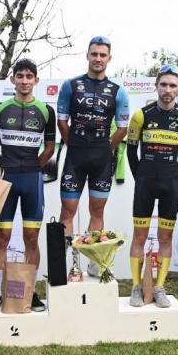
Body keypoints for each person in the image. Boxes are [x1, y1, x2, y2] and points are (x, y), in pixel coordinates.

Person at [0, 59, 56, 313]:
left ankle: (30, 291)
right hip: (7, 179)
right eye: (20, 76)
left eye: (29, 76)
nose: (25, 81)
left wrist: (36, 165)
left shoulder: (46, 111)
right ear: (13, 79)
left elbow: (50, 147)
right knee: (1, 237)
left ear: (36, 80)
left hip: (32, 180)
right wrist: (5, 166)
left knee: (31, 238)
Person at [126, 65, 178, 308]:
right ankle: (136, 287)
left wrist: (171, 174)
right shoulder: (141, 115)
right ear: (156, 86)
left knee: (166, 237)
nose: (167, 90)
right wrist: (141, 176)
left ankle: (159, 287)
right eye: (164, 84)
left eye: (172, 85)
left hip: (170, 184)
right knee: (140, 236)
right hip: (144, 183)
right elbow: (131, 150)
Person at [57, 36, 129, 241]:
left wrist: (107, 149)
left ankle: (92, 265)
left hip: (102, 160)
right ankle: (68, 269)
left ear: (109, 58)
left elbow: (123, 128)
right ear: (87, 55)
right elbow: (62, 122)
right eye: (94, 54)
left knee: (97, 212)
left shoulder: (118, 91)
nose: (98, 58)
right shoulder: (70, 85)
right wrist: (74, 145)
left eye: (102, 55)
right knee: (67, 212)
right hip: (75, 157)